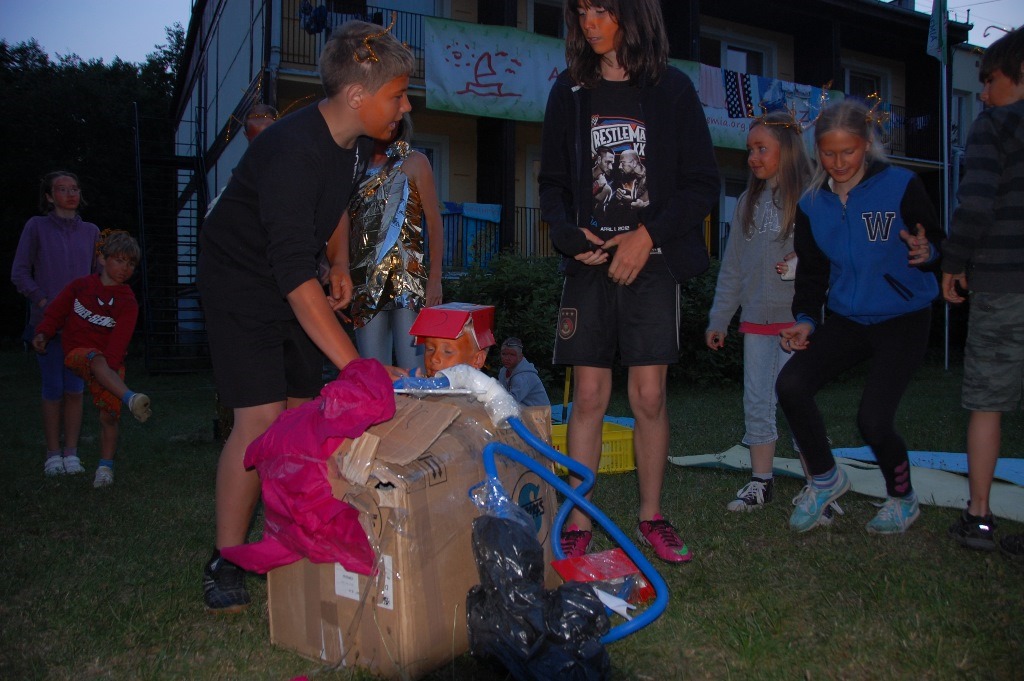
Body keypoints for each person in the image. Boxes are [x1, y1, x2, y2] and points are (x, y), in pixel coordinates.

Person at [197, 19, 414, 613]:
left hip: (291, 276)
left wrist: (338, 260)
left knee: (300, 415)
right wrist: (359, 368)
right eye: (397, 95)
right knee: (261, 418)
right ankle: (225, 558)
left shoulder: (353, 143)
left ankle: (288, 534)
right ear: (357, 95)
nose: (405, 106)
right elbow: (292, 273)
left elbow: (333, 204)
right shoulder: (291, 149)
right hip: (240, 280)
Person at [539, 0, 720, 564]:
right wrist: (567, 234)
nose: (589, 23)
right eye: (582, 11)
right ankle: (578, 518)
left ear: (633, 14)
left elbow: (702, 184)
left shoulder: (673, 89)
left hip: (653, 262)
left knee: (649, 395)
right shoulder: (569, 90)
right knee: (589, 396)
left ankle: (651, 515)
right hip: (589, 266)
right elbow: (551, 184)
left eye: (602, 10)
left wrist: (648, 235)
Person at [775, 98, 944, 535]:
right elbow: (812, 274)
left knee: (873, 419)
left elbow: (937, 242)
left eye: (847, 152)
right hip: (849, 317)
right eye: (828, 153)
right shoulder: (812, 203)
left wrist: (928, 253)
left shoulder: (901, 185)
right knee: (791, 384)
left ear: (866, 144)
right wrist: (806, 320)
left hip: (903, 315)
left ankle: (902, 498)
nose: (837, 163)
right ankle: (825, 478)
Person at [940, 27, 1024, 557]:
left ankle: (979, 518)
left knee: (987, 404)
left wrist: (953, 261)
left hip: (1004, 284)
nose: (985, 94)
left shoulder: (993, 126)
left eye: (990, 81)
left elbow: (976, 204)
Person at [705, 110, 812, 512]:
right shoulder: (746, 203)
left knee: (799, 401)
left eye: (761, 148)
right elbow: (732, 266)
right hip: (756, 323)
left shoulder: (810, 197)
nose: (753, 157)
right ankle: (761, 481)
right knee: (756, 402)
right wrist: (720, 317)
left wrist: (801, 263)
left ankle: (818, 484)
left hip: (796, 322)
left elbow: (828, 257)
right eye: (750, 149)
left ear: (787, 150)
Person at [32, 231, 151, 489]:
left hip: (108, 364)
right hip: (77, 354)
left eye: (131, 263)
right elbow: (56, 312)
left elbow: (120, 342)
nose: (125, 268)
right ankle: (130, 397)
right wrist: (43, 332)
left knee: (109, 415)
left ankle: (105, 468)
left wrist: (109, 373)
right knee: (95, 358)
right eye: (119, 260)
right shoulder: (80, 286)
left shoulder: (128, 302)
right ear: (102, 259)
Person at [336, 113, 444, 372]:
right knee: (373, 371)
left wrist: (435, 278)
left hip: (408, 278)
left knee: (413, 369)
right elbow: (341, 224)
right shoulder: (353, 167)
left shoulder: (415, 161)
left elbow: (434, 222)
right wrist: (336, 269)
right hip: (364, 280)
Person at [12, 171, 99, 478]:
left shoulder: (91, 231)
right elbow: (20, 272)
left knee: (75, 390)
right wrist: (43, 302)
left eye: (74, 188)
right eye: (62, 189)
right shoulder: (36, 227)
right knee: (53, 389)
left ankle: (71, 453)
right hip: (47, 325)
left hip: (80, 326)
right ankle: (52, 455)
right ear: (49, 196)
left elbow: (98, 275)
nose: (71, 194)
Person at [407, 302, 495, 377]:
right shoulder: (420, 387)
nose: (434, 358)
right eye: (430, 349)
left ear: (478, 359)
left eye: (448, 352)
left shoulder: (487, 391)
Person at [497, 337, 551, 407]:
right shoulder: (503, 371)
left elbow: (510, 402)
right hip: (521, 408)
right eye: (504, 354)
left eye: (512, 355)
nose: (507, 358)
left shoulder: (523, 377)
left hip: (539, 412)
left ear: (520, 357)